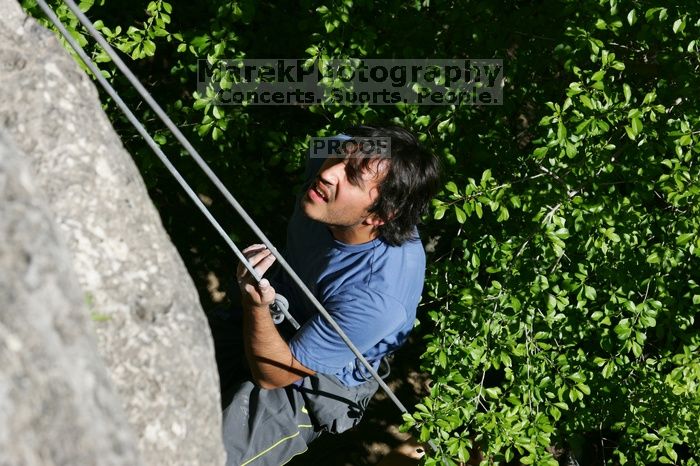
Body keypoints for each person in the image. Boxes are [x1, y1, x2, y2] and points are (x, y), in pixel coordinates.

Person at [216, 125, 441, 465]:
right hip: (284, 309)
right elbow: (338, 149)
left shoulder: (378, 297)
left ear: (381, 215)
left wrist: (254, 304)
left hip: (316, 377)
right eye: (340, 157)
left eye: (352, 176)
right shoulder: (334, 162)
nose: (328, 172)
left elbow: (274, 374)